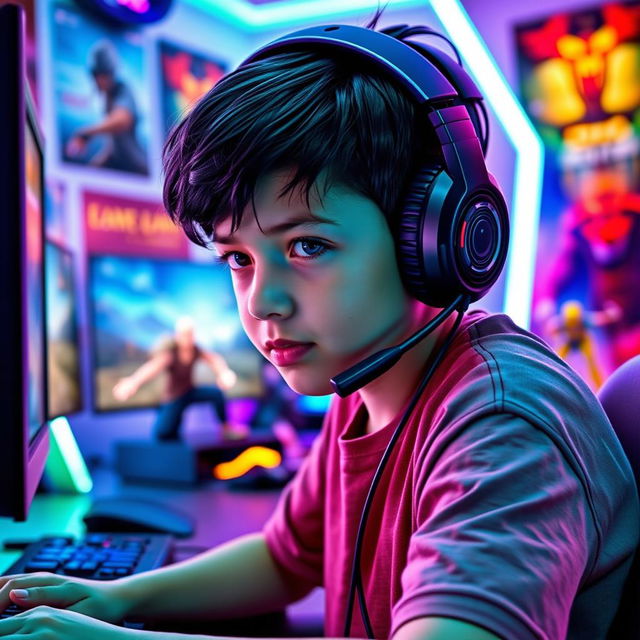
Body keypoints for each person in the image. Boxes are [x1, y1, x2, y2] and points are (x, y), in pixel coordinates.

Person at [0, 13, 638, 640]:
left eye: (307, 246)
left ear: (437, 238)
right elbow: (284, 560)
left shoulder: (501, 425)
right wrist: (113, 600)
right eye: (238, 259)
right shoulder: (362, 383)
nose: (262, 303)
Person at [112, 316, 245, 441]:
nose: (188, 338)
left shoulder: (196, 349)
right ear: (177, 335)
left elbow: (214, 359)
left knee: (216, 393)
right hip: (174, 397)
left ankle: (226, 428)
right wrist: (133, 382)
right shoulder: (171, 354)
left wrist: (224, 372)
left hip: (190, 391)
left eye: (190, 334)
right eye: (184, 334)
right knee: (164, 432)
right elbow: (152, 368)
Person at [65, 40, 148, 174]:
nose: (98, 80)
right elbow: (115, 144)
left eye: (102, 75)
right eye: (96, 75)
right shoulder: (107, 98)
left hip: (136, 168)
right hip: (119, 163)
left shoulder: (123, 90)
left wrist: (87, 133)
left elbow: (122, 120)